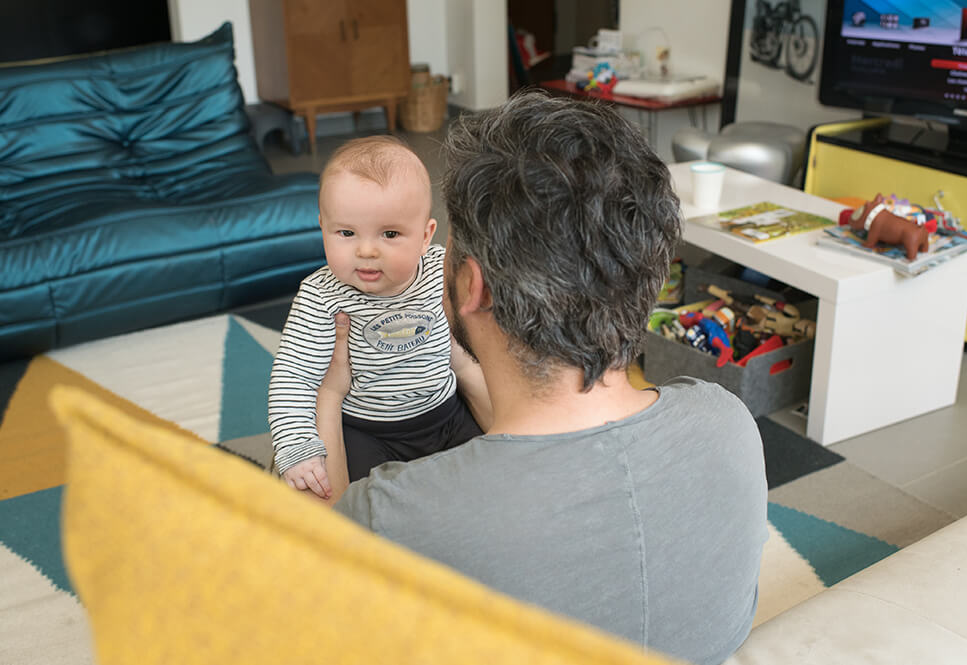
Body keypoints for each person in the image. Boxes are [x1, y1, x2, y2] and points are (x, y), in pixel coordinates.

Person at [311, 91, 768, 665]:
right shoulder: (726, 420)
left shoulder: (398, 513)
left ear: (471, 286)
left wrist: (328, 398)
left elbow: (307, 567)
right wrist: (456, 358)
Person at [268, 135, 491, 500]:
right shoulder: (320, 296)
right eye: (346, 233)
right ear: (322, 226)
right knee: (347, 501)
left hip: (446, 412)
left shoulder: (440, 271)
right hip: (368, 430)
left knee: (492, 476)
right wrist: (298, 449)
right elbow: (293, 378)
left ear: (425, 236)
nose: (367, 250)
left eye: (390, 234)